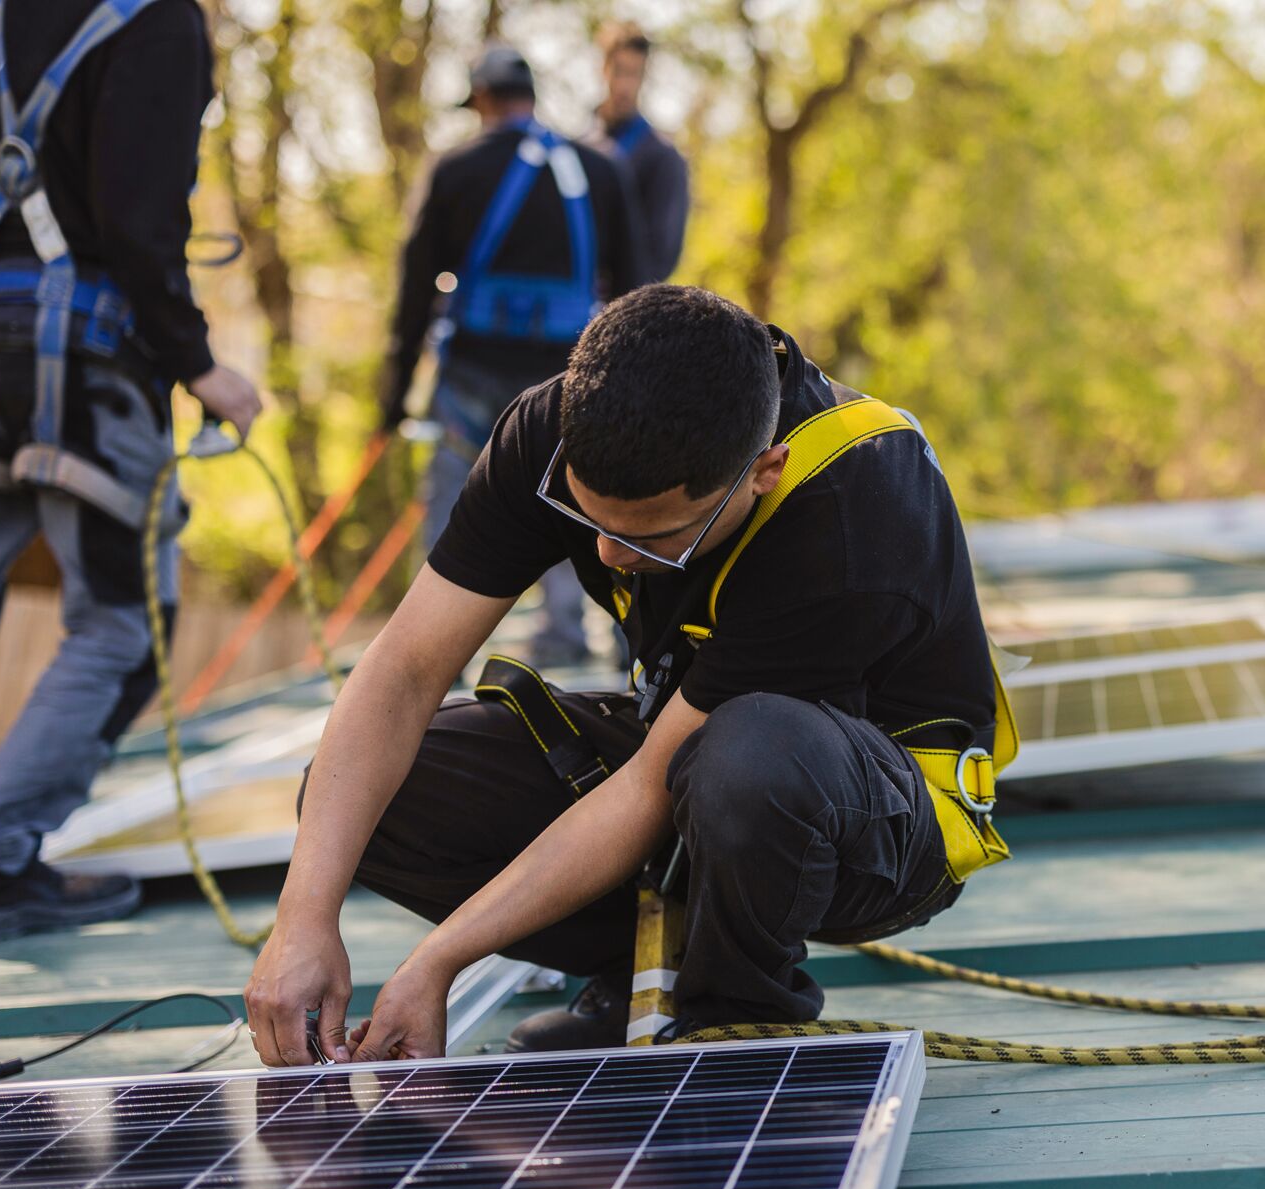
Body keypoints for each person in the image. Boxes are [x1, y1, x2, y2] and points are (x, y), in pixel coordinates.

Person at [245, 284, 1015, 1066]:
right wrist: (304, 919)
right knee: (363, 799)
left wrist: (438, 960)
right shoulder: (551, 431)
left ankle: (738, 1021)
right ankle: (641, 969)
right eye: (591, 522)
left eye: (655, 538)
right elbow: (404, 671)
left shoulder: (857, 511)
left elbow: (656, 783)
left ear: (764, 472)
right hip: (692, 760)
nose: (611, 557)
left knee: (751, 756)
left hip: (877, 820)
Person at [0, 0, 261, 942]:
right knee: (125, 624)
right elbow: (135, 220)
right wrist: (196, 362)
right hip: (83, 361)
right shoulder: (156, 19)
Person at [378, 44, 647, 668]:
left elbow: (414, 290)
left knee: (453, 494)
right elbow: (638, 283)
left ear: (482, 101)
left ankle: (431, 648)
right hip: (565, 369)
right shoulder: (597, 170)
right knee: (568, 490)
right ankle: (569, 631)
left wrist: (391, 399)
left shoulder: (456, 168)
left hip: (473, 369)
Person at [585, 22, 689, 284]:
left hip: (625, 309)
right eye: (618, 71)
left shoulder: (663, 158)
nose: (624, 85)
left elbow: (660, 260)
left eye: (634, 74)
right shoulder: (580, 150)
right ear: (603, 69)